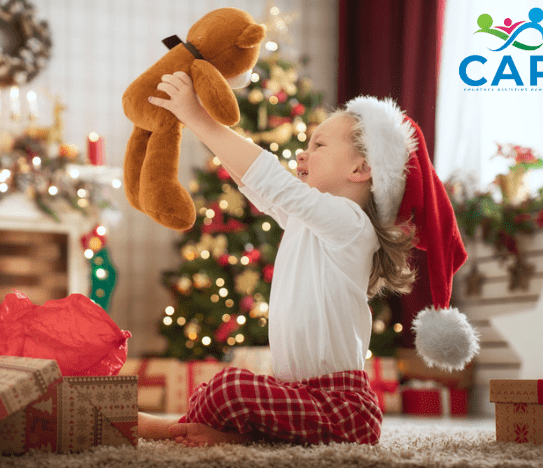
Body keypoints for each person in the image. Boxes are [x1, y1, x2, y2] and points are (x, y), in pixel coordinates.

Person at [137, 71, 477, 446]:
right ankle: (235, 437)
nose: (303, 153)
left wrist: (198, 116)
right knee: (227, 384)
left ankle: (174, 431)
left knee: (229, 388)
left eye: (319, 145)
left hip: (342, 407)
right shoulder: (307, 220)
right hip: (298, 396)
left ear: (360, 169)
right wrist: (197, 124)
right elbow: (256, 185)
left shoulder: (350, 224)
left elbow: (271, 181)